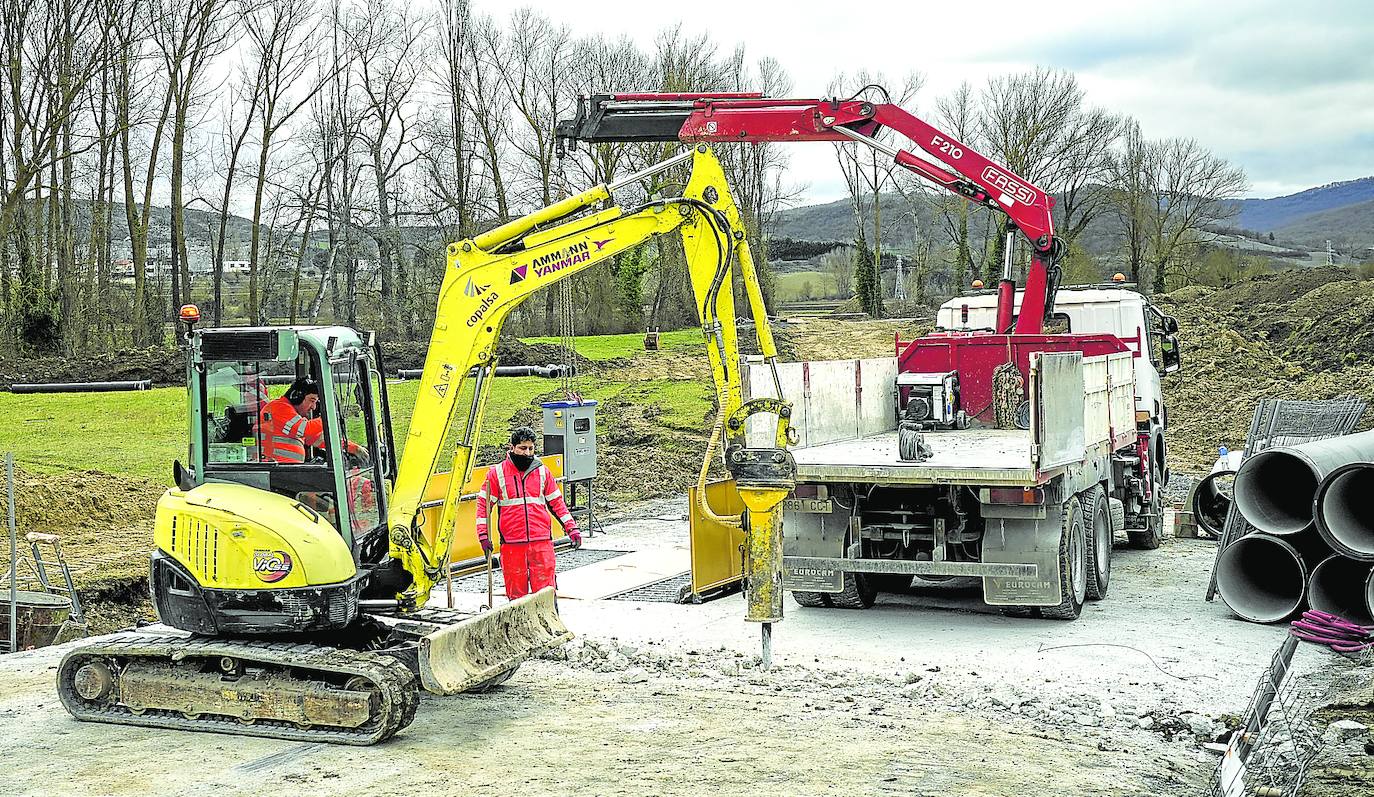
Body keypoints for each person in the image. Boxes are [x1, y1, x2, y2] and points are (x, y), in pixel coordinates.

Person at [475, 426, 582, 600]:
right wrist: (483, 536)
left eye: (531, 448)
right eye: (523, 448)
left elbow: (557, 503)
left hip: (541, 543)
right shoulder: (497, 474)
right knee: (517, 597)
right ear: (512, 448)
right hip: (512, 545)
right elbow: (483, 507)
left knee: (546, 594)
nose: (527, 453)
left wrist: (572, 529)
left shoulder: (542, 472)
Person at [258, 377, 362, 464]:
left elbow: (318, 439)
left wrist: (354, 448)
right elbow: (305, 429)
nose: (313, 407)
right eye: (312, 400)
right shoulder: (279, 408)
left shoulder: (290, 417)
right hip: (277, 471)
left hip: (285, 469)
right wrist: (332, 416)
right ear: (297, 397)